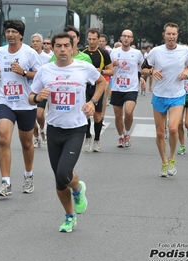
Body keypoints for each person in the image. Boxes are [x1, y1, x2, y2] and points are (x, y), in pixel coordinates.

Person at [29, 32, 106, 232]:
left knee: (64, 173)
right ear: (53, 49)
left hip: (76, 129)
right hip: (54, 128)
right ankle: (69, 216)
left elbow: (102, 82)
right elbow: (30, 97)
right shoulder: (45, 71)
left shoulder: (83, 67)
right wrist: (38, 97)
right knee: (59, 179)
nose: (62, 49)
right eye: (58, 46)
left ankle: (78, 188)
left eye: (66, 46)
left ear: (72, 48)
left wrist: (93, 102)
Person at [0, 19, 43, 196]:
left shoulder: (29, 53)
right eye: (8, 31)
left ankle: (28, 176)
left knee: (26, 143)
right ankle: (6, 182)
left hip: (25, 103)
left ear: (21, 34)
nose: (10, 34)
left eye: (14, 32)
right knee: (3, 138)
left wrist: (24, 72)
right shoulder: (0, 51)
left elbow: (41, 75)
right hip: (5, 100)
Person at [141, 22, 188, 177]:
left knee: (172, 128)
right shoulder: (156, 52)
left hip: (177, 95)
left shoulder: (184, 51)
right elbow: (143, 68)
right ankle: (164, 161)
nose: (171, 37)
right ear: (164, 35)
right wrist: (151, 72)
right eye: (169, 34)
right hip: (159, 95)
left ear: (177, 35)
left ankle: (172, 158)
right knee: (159, 133)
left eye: (174, 34)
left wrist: (186, 72)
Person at [110, 29, 144, 148]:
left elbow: (142, 68)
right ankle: (120, 136)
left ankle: (127, 133)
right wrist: (112, 65)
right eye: (124, 36)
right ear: (120, 38)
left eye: (128, 36)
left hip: (131, 87)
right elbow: (108, 68)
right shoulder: (114, 52)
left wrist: (142, 78)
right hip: (117, 87)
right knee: (118, 115)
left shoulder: (137, 53)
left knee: (128, 112)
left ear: (132, 39)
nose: (126, 38)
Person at [82, 28, 114, 152]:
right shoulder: (82, 52)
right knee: (85, 113)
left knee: (97, 116)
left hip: (97, 87)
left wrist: (101, 71)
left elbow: (111, 71)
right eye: (89, 39)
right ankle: (88, 137)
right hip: (84, 87)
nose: (91, 41)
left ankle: (97, 139)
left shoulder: (103, 53)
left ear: (98, 39)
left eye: (94, 39)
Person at [30, 33, 51, 148]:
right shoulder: (28, 56)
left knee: (39, 114)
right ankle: (36, 137)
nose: (35, 43)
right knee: (31, 117)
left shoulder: (47, 58)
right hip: (30, 90)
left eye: (37, 41)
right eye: (33, 41)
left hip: (42, 90)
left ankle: (42, 129)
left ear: (42, 43)